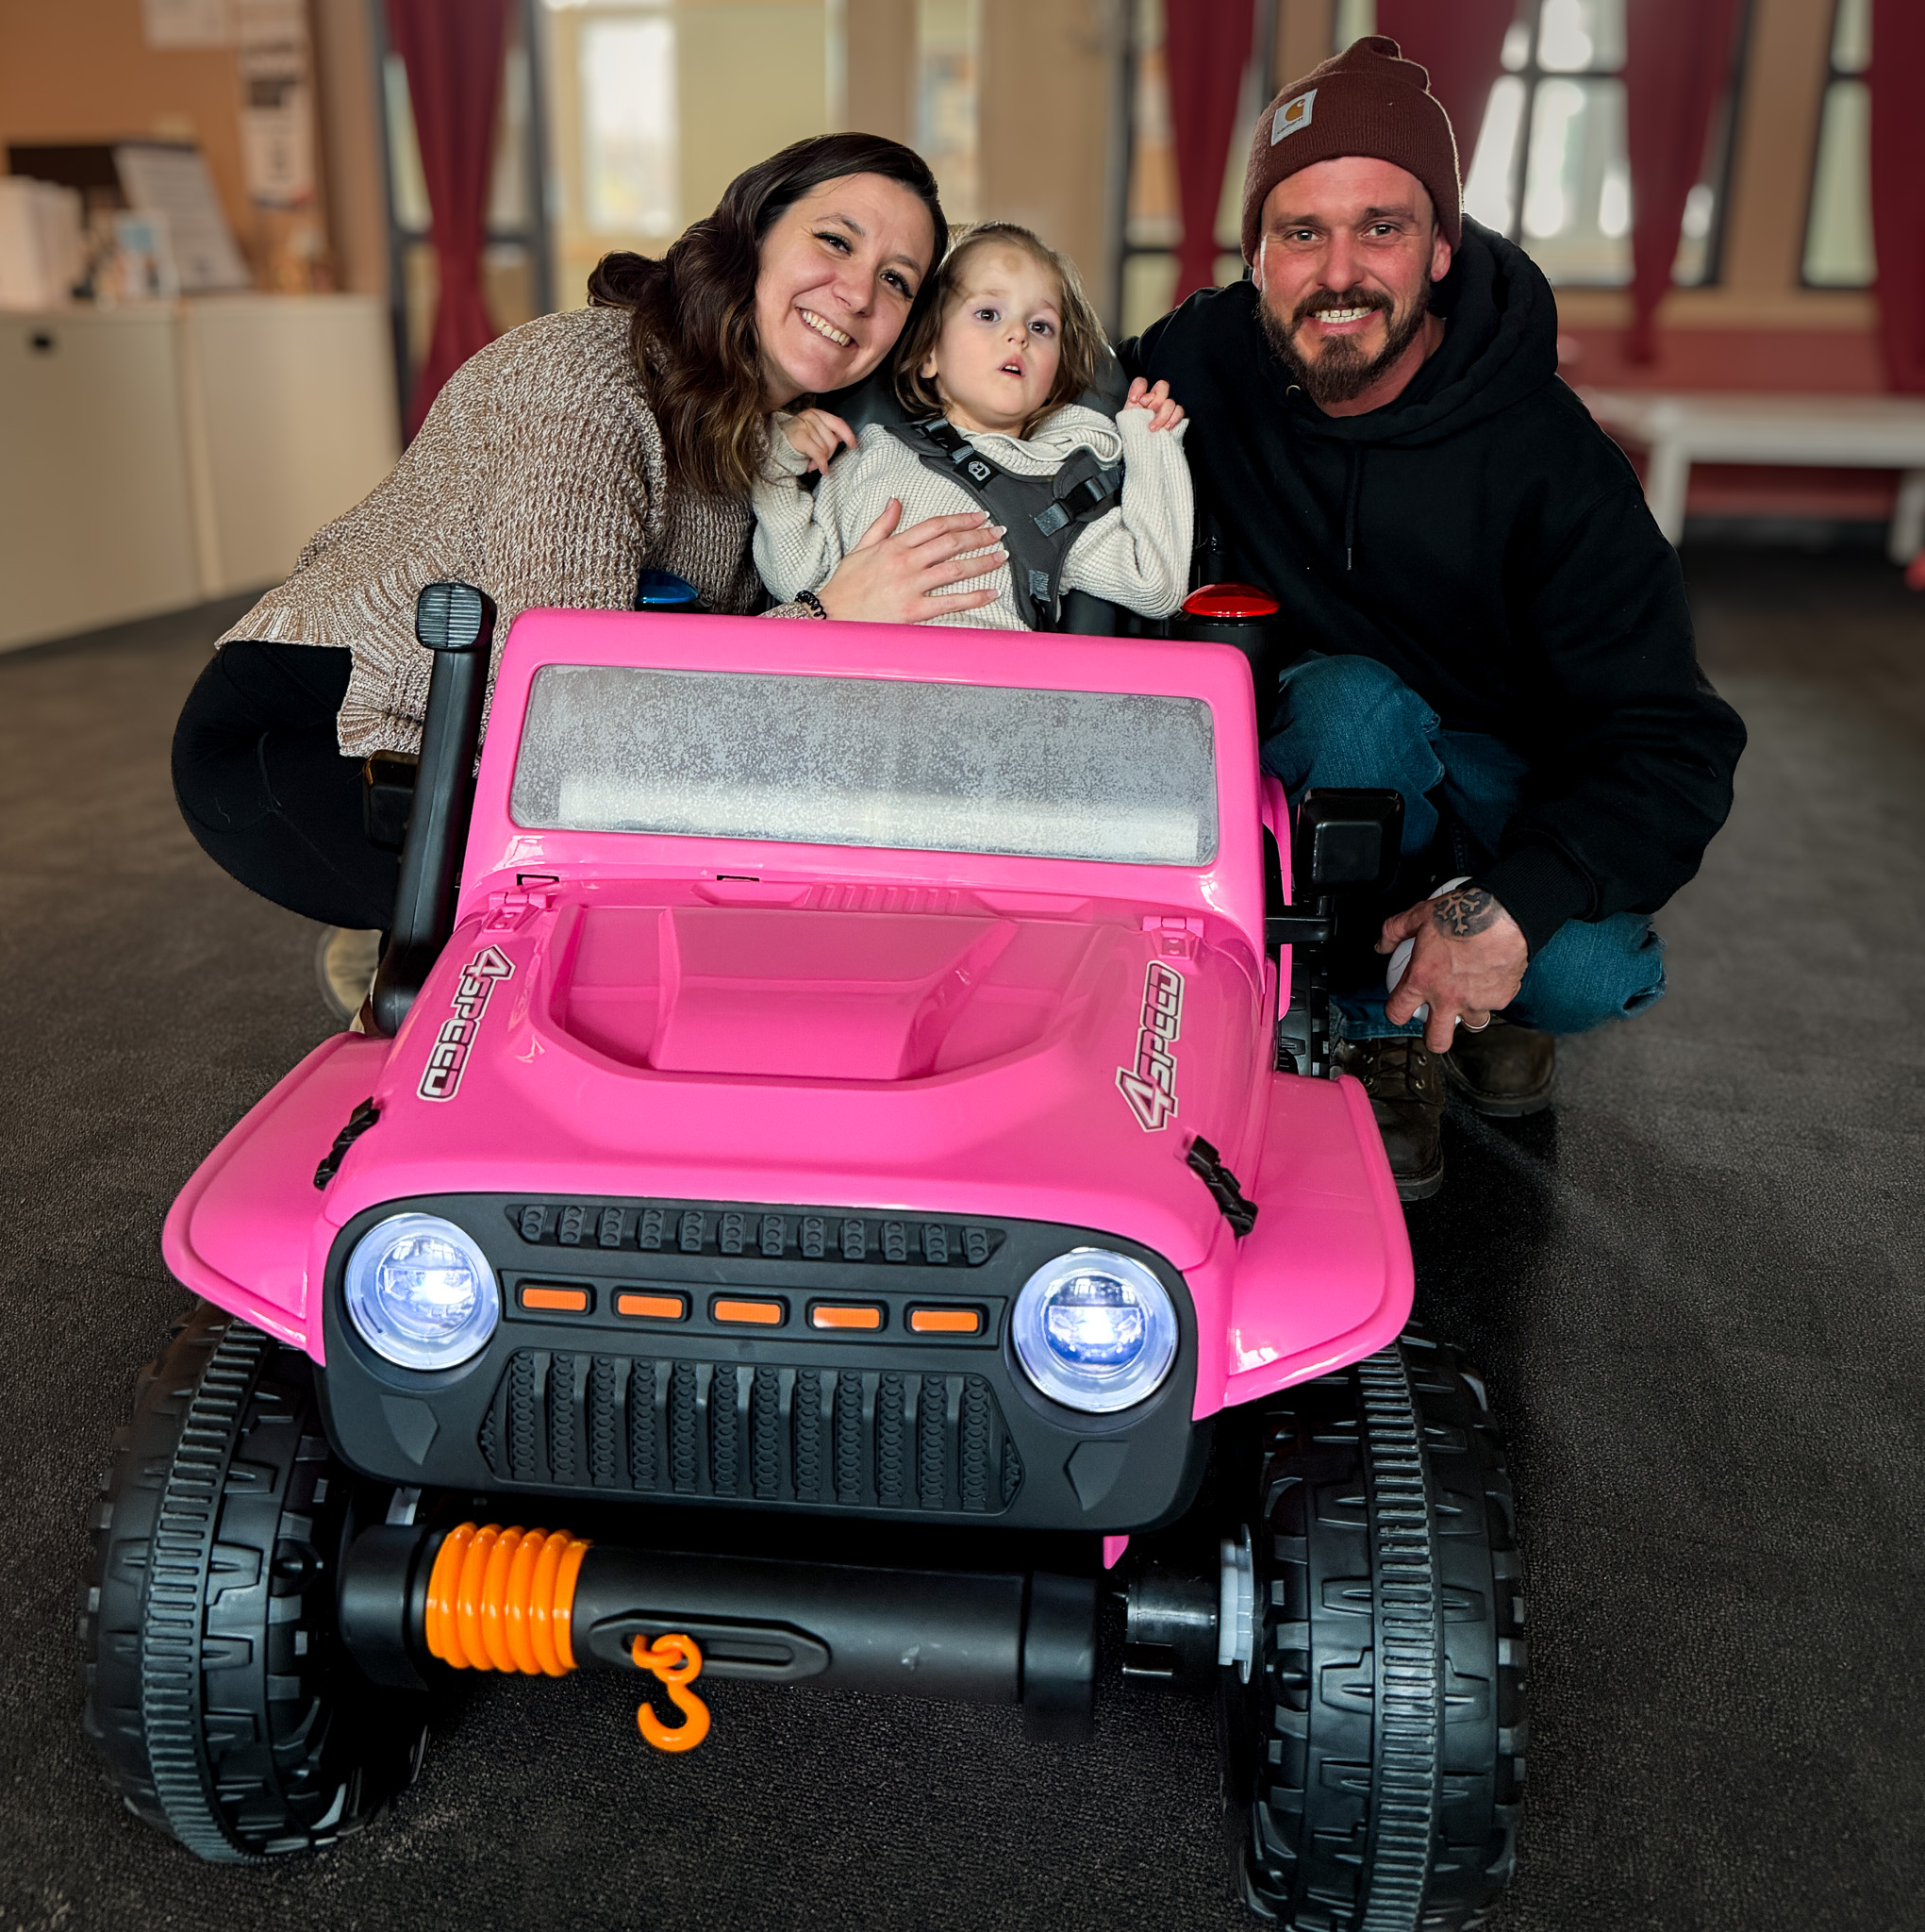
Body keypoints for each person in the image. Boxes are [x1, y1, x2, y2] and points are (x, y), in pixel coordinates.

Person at [171, 133, 1004, 1018]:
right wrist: (830, 616)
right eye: (835, 241)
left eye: (898, 280)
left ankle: (426, 928)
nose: (858, 292)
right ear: (752, 237)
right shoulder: (586, 386)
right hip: (328, 736)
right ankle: (412, 940)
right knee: (620, 937)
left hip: (500, 754)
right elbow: (576, 726)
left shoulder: (762, 429)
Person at [1118, 35, 1746, 1201]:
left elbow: (1674, 739)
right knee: (1350, 705)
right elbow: (1009, 392)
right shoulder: (1196, 366)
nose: (1338, 270)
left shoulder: (1552, 459)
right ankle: (1384, 1027)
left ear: (1441, 249)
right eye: (1300, 232)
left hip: (1505, 791)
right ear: (1254, 253)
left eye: (1382, 226)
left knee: (1592, 967)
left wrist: (1515, 903)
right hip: (1334, 769)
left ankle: (1475, 979)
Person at [753, 220, 1192, 630]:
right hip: (860, 692)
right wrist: (779, 459)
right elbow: (794, 578)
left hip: (994, 704)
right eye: (988, 314)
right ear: (930, 354)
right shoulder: (869, 455)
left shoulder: (1060, 486)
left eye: (1041, 326)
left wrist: (1152, 443)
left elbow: (1154, 588)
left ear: (1055, 374)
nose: (1018, 335)